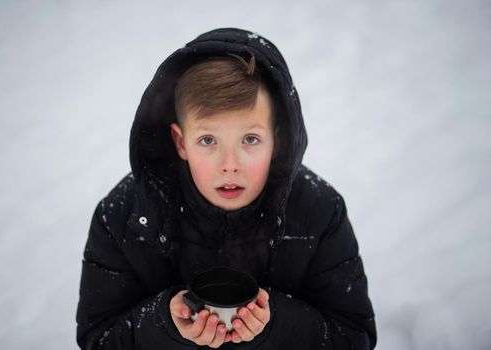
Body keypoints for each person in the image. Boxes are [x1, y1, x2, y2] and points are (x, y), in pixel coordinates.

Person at [76, 27, 377, 349]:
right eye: (208, 140)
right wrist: (166, 325)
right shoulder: (125, 216)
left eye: (250, 139)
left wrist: (273, 325)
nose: (230, 164)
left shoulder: (318, 211)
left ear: (277, 139)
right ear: (180, 142)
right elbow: (99, 339)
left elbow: (352, 338)